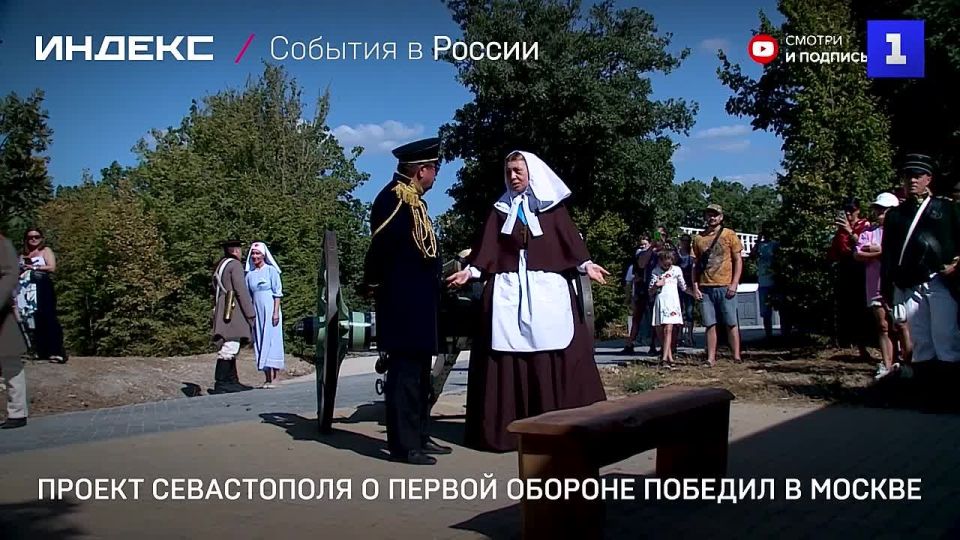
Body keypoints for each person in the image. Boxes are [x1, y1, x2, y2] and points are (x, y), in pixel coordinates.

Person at [447, 150, 609, 452]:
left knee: (559, 346)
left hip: (547, 289)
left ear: (532, 172)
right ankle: (508, 428)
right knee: (504, 348)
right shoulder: (500, 209)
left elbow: (570, 243)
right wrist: (470, 272)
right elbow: (486, 250)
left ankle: (563, 423)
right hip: (508, 289)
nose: (512, 176)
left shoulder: (553, 208)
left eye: (518, 171)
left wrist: (586, 265)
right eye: (508, 171)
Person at [363, 136, 449, 465]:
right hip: (401, 302)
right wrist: (373, 285)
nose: (435, 176)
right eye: (434, 169)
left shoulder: (414, 201)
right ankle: (404, 445)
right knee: (404, 377)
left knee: (421, 375)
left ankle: (421, 435)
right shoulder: (393, 199)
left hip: (420, 302)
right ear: (421, 170)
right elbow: (379, 249)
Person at [882, 154, 960, 369]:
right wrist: (887, 287)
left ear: (928, 179)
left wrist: (956, 266)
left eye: (917, 176)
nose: (912, 180)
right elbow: (889, 254)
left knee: (946, 337)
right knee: (920, 341)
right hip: (910, 283)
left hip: (940, 282)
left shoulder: (947, 209)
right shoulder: (895, 215)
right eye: (908, 176)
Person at [856, 192, 910, 380]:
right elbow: (858, 254)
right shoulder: (869, 232)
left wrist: (877, 251)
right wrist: (880, 252)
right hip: (875, 285)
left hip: (897, 284)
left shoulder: (902, 232)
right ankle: (887, 364)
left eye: (884, 210)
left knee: (901, 324)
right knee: (883, 325)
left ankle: (907, 362)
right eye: (878, 209)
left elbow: (899, 253)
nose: (880, 213)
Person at [691, 204, 743, 366]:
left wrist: (734, 283)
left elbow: (738, 260)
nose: (712, 217)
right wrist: (695, 286)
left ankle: (736, 356)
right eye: (709, 214)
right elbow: (695, 264)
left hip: (725, 284)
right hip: (706, 286)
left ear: (721, 217)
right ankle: (711, 358)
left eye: (715, 215)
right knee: (709, 323)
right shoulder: (698, 238)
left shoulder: (729, 234)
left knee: (731, 322)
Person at [827, 198, 872, 359]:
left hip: (861, 267)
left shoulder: (865, 225)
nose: (848, 214)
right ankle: (857, 345)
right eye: (846, 210)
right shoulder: (840, 229)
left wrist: (849, 231)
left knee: (864, 308)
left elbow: (863, 245)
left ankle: (871, 344)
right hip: (845, 267)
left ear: (858, 210)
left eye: (851, 210)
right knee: (850, 309)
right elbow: (835, 250)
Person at [211, 239, 256, 393]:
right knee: (230, 344)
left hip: (222, 305)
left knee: (230, 344)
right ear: (236, 250)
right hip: (232, 308)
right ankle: (222, 382)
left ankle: (232, 380)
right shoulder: (235, 265)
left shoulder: (221, 265)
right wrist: (250, 314)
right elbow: (241, 291)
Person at [20, 228, 66, 362]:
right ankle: (40, 350)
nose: (33, 239)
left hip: (42, 285)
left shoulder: (45, 251)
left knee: (49, 316)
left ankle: (56, 351)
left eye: (37, 236)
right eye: (30, 237)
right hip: (27, 288)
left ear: (41, 238)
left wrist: (34, 267)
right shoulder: (23, 254)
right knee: (32, 318)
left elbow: (52, 267)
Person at [246, 241, 284, 388]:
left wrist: (275, 312)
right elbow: (248, 295)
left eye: (258, 254)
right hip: (257, 311)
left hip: (270, 309)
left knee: (273, 339)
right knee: (261, 340)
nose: (255, 256)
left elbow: (277, 292)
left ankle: (276, 377)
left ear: (263, 255)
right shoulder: (250, 275)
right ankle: (267, 377)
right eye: (253, 254)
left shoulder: (271, 271)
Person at [1, 231, 29, 428]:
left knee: (10, 361)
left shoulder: (1, 243)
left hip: (2, 316)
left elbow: (10, 274)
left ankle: (17, 412)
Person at [648, 249, 689, 367]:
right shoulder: (656, 271)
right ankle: (669, 357)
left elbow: (683, 287)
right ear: (660, 261)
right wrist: (657, 285)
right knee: (661, 331)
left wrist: (694, 293)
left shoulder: (677, 270)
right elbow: (650, 292)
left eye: (669, 261)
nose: (667, 264)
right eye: (664, 262)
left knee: (668, 329)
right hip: (661, 302)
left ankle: (664, 358)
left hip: (672, 302)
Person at [754, 223, 779, 341]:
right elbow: (752, 255)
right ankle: (768, 335)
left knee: (781, 309)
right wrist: (758, 240)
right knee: (765, 312)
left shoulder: (775, 244)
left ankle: (785, 333)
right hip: (763, 282)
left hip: (775, 282)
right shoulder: (760, 245)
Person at [677, 234, 695, 346]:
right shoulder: (677, 254)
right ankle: (679, 336)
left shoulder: (691, 255)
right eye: (683, 240)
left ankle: (689, 336)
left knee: (689, 311)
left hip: (689, 285)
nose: (685, 243)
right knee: (679, 311)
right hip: (678, 286)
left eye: (687, 241)